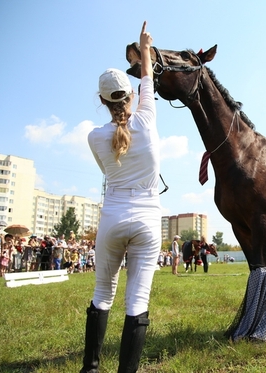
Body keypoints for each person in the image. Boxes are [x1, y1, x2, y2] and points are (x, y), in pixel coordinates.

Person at [81, 20, 161, 373]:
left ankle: (91, 367)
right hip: (147, 218)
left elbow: (106, 170)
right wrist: (145, 48)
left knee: (102, 295)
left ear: (101, 101)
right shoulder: (146, 119)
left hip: (113, 214)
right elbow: (148, 78)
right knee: (137, 301)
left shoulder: (94, 137)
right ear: (130, 97)